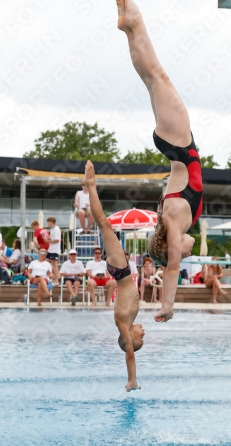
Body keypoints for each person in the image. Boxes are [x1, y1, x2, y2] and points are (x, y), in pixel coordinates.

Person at [116, 0, 202, 322]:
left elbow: (171, 269)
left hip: (179, 143)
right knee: (151, 79)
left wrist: (168, 306)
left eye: (180, 252)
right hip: (171, 146)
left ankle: (136, 23)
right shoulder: (167, 218)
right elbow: (171, 262)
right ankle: (129, 30)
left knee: (157, 75)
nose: (189, 252)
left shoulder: (176, 226)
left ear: (172, 248)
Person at [83, 160, 144, 391]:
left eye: (140, 338)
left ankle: (91, 186)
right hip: (123, 271)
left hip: (121, 271)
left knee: (104, 225)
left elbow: (129, 355)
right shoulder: (127, 321)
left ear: (129, 337)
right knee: (105, 225)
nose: (143, 333)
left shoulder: (122, 323)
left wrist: (132, 379)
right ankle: (88, 186)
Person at [46, 216, 61, 285]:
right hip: (51, 249)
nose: (48, 223)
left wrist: (48, 241)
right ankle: (55, 276)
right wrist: (48, 239)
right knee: (46, 262)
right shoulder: (52, 229)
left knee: (54, 265)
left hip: (55, 249)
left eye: (48, 222)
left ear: (51, 222)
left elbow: (57, 240)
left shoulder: (56, 229)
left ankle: (57, 280)